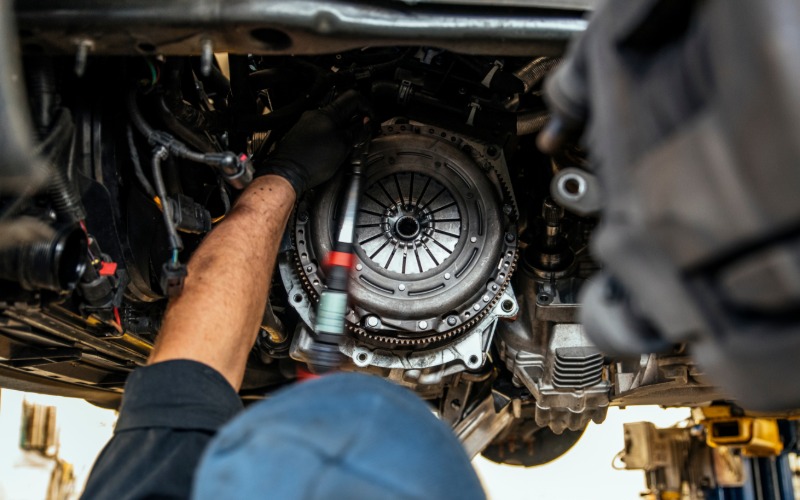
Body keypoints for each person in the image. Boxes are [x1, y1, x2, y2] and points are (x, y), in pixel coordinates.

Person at [81, 91, 486, 500]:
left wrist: (287, 173)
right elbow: (190, 374)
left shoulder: (163, 481)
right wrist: (285, 177)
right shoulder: (167, 477)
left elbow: (192, 371)